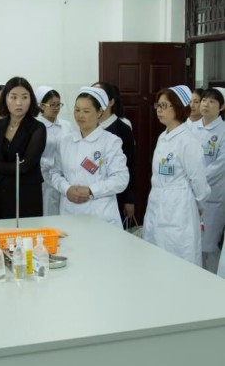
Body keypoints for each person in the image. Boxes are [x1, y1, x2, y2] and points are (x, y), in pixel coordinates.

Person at [143, 86, 210, 266]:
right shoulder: (162, 137)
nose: (159, 110)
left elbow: (199, 183)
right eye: (158, 105)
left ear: (179, 107)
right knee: (155, 257)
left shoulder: (188, 141)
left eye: (164, 106)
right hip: (157, 204)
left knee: (177, 260)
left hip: (179, 209)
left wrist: (198, 205)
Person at [50, 87, 129, 227]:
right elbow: (55, 173)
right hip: (70, 212)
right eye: (77, 110)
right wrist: (66, 189)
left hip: (100, 214)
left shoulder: (110, 141)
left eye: (86, 111)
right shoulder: (65, 141)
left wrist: (91, 191)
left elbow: (120, 179)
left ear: (99, 112)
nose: (80, 115)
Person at [0, 76, 46, 220]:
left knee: (25, 233)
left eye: (24, 97)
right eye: (13, 97)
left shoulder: (37, 128)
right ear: (5, 100)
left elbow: (25, 165)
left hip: (25, 195)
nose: (19, 103)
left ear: (31, 100)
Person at [186, 87, 225, 273]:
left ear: (221, 107)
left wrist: (196, 179)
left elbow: (220, 165)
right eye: (204, 100)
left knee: (209, 246)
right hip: (189, 194)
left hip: (212, 197)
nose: (206, 105)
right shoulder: (190, 128)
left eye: (212, 102)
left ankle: (213, 282)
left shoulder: (223, 131)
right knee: (192, 243)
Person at [92, 81, 136, 221]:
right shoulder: (89, 127)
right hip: (91, 193)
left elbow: (130, 164)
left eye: (99, 96)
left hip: (115, 194)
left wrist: (129, 199)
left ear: (111, 102)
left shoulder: (122, 129)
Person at [35, 85, 73, 216]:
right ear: (41, 106)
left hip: (65, 176)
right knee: (47, 211)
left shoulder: (66, 126)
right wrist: (48, 164)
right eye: (52, 105)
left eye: (58, 104)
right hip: (43, 177)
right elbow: (33, 154)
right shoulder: (35, 127)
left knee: (65, 212)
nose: (56, 108)